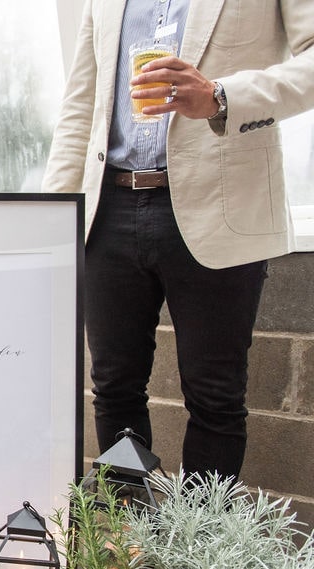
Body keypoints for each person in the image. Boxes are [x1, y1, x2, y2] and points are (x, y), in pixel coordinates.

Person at [43, 1, 314, 480]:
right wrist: (51, 220)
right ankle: (129, 544)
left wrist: (220, 95)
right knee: (113, 390)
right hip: (109, 209)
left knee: (215, 398)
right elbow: (80, 105)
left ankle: (201, 553)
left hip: (222, 204)